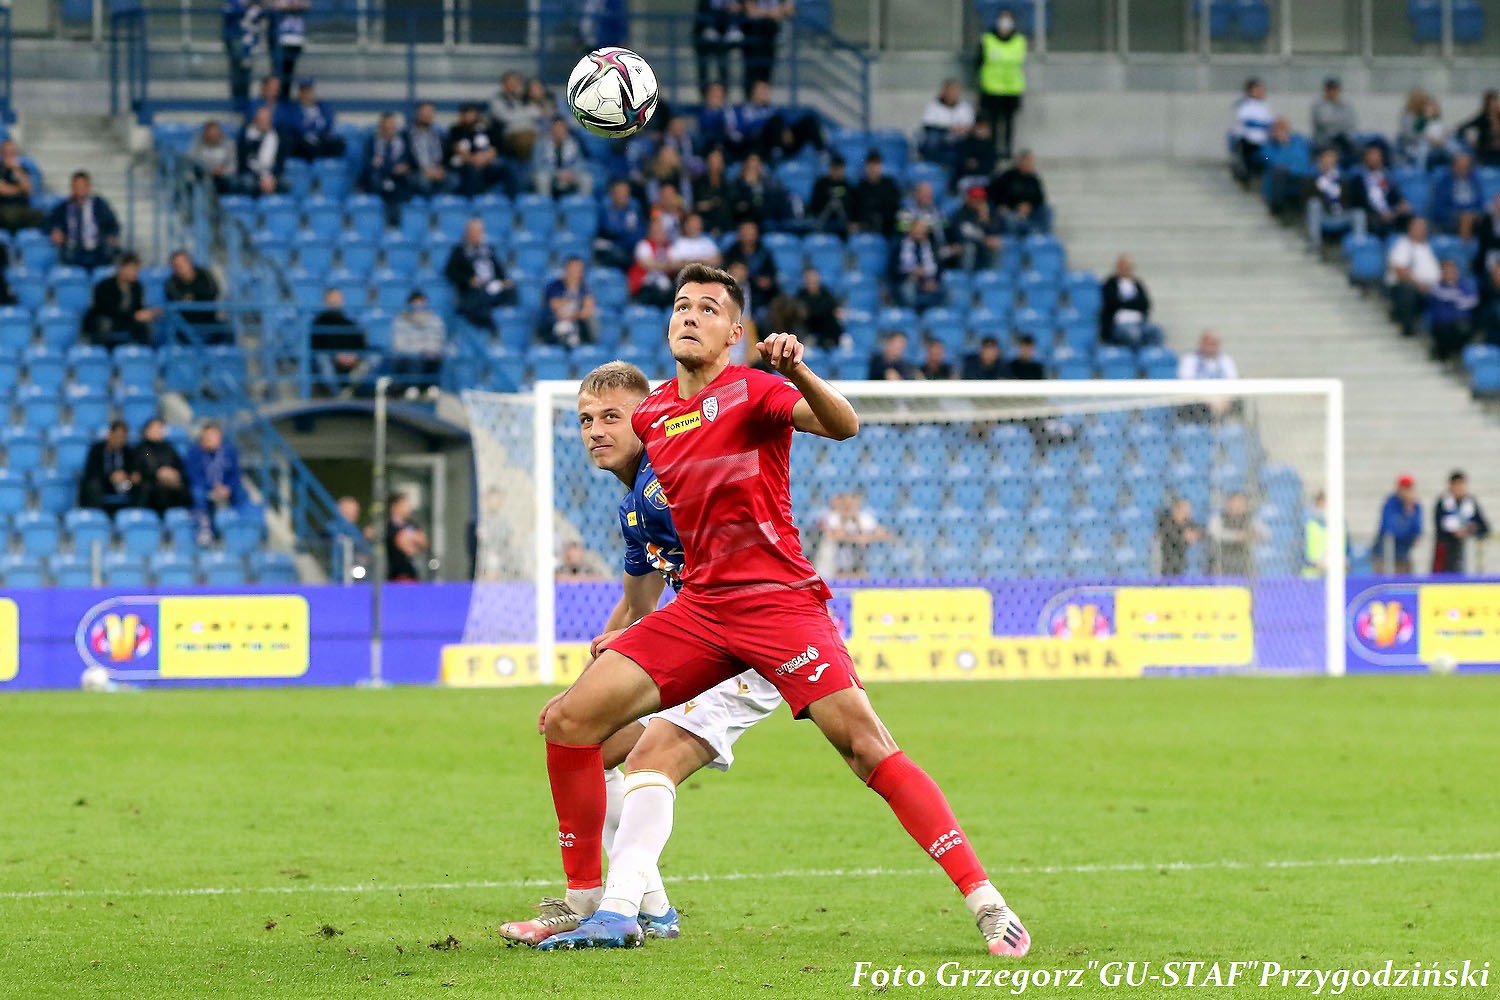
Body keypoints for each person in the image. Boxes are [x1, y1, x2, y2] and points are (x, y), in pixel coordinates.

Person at [534, 263, 1031, 955]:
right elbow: (641, 499)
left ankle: (986, 900)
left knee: (865, 747)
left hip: (778, 603)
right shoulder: (651, 415)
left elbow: (844, 424)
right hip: (702, 610)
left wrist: (799, 372)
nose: (688, 315)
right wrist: (619, 627)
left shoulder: (756, 389)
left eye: (707, 308)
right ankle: (593, 903)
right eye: (681, 305)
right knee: (567, 720)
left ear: (734, 333)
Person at [501, 361, 783, 948]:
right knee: (593, 747)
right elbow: (635, 608)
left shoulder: (668, 480)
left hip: (749, 642)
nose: (595, 430)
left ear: (648, 416)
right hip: (703, 643)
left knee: (649, 762)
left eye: (611, 417)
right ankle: (652, 908)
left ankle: (611, 907)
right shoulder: (636, 501)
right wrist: (583, 693)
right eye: (585, 419)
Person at [445, 218, 516, 330]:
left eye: (479, 232)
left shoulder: (488, 249)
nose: (476, 235)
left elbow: (498, 268)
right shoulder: (459, 251)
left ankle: (503, 318)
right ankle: (489, 324)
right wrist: (468, 280)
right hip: (473, 289)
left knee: (511, 289)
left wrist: (504, 280)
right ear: (467, 233)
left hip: (492, 286)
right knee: (479, 296)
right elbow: (450, 272)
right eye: (473, 232)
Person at [185, 421, 249, 543]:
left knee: (242, 493)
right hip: (205, 489)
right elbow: (193, 476)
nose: (210, 439)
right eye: (207, 437)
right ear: (202, 437)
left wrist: (228, 488)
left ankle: (239, 528)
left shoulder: (230, 452)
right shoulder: (194, 453)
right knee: (197, 493)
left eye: (213, 436)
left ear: (220, 437)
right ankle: (204, 528)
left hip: (225, 489)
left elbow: (236, 474)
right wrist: (213, 487)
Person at [976, 9, 1026, 160]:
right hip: (991, 87)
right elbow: (978, 62)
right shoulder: (987, 39)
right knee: (992, 121)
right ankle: (993, 150)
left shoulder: (1019, 41)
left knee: (1009, 123)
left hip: (1011, 88)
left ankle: (1007, 150)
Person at [82, 252, 157, 350]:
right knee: (104, 323)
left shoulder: (137, 286)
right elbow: (108, 310)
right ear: (122, 269)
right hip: (109, 319)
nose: (136, 273)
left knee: (146, 323)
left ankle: (143, 355)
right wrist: (135, 315)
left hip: (127, 320)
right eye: (133, 269)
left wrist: (147, 312)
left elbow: (138, 306)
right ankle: (102, 354)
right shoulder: (104, 285)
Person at [47, 171, 120, 270]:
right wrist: (56, 230)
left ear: (88, 187)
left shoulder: (99, 205)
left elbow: (113, 224)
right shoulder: (64, 207)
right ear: (72, 187)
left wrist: (112, 235)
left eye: (83, 186)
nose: (80, 189)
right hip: (72, 251)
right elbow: (49, 222)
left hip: (96, 250)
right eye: (77, 186)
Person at [1386, 217, 1441, 339]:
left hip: (1430, 288)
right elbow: (1400, 270)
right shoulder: (1403, 245)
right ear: (1410, 228)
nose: (1421, 231)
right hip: (1409, 287)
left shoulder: (1428, 247)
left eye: (1423, 228)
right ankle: (1407, 326)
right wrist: (1420, 285)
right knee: (1407, 291)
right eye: (1418, 228)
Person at [813, 492, 889, 579]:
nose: (848, 505)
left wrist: (857, 522)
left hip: (858, 558)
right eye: (845, 501)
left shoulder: (864, 517)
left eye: (852, 501)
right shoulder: (831, 517)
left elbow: (882, 533)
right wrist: (858, 536)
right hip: (834, 559)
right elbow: (834, 535)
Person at [309, 287, 368, 392]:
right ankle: (338, 394)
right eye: (333, 299)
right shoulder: (317, 323)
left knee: (373, 358)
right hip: (330, 359)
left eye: (338, 298)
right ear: (325, 302)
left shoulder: (349, 323)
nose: (336, 302)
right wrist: (336, 355)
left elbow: (361, 344)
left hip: (350, 360)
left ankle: (353, 389)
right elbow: (317, 345)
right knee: (323, 359)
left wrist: (354, 355)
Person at [1345, 143, 1409, 239]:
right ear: (1365, 158)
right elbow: (1358, 202)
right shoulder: (1358, 180)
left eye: (1378, 156)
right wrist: (1379, 214)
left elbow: (1393, 195)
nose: (1375, 159)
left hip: (1390, 213)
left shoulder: (1385, 177)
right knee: (1377, 223)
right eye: (1372, 155)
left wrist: (1401, 202)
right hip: (1370, 215)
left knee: (1409, 217)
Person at [1098, 254, 1163, 348]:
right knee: (1133, 334)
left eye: (1129, 267)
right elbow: (1113, 303)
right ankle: (1136, 360)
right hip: (1119, 325)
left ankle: (1150, 359)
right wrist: (1133, 303)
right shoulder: (1110, 283)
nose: (1127, 269)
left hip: (1139, 323)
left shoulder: (1137, 284)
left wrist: (1124, 303)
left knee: (1157, 331)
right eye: (1124, 267)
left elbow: (1145, 304)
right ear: (1118, 267)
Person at [389, 290, 447, 394]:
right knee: (415, 358)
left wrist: (429, 350)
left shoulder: (435, 320)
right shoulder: (400, 320)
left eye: (422, 301)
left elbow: (437, 340)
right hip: (408, 358)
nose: (419, 305)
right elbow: (399, 345)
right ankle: (412, 387)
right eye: (416, 302)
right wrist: (420, 350)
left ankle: (433, 387)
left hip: (429, 355)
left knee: (436, 356)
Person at [78, 420, 140, 516]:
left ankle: (135, 517)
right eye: (117, 436)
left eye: (123, 437)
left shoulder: (128, 451)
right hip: (103, 483)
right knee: (93, 485)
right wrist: (110, 477)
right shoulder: (96, 449)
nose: (120, 440)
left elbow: (133, 470)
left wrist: (129, 476)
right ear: (109, 434)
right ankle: (96, 517)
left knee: (141, 485)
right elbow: (91, 472)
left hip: (124, 484)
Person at [1432, 471, 1489, 575]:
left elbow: (1484, 528)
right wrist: (1455, 533)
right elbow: (1439, 528)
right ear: (1450, 486)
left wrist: (1469, 531)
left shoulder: (1470, 502)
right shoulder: (1443, 502)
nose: (1459, 488)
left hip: (1465, 552)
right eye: (1456, 485)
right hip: (1445, 551)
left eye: (1461, 484)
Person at [360, 112, 415, 218]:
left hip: (399, 178)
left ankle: (396, 220)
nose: (389, 130)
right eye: (386, 127)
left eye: (391, 126)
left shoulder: (404, 141)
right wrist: (391, 167)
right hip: (379, 178)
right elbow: (368, 164)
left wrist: (402, 166)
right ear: (381, 127)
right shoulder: (371, 142)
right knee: (376, 181)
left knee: (406, 183)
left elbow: (410, 162)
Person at [133, 417, 191, 516]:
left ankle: (182, 517)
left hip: (172, 482)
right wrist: (158, 473)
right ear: (147, 431)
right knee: (158, 491)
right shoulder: (142, 449)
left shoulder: (169, 448)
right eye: (155, 428)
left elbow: (179, 464)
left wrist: (174, 473)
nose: (158, 431)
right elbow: (141, 467)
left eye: (160, 428)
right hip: (152, 483)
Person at [164, 250, 226, 343]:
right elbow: (175, 300)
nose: (180, 266)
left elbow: (212, 292)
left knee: (226, 329)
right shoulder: (170, 282)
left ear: (190, 262)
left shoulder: (205, 275)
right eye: (176, 265)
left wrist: (193, 297)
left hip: (209, 323)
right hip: (184, 327)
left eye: (183, 262)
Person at [446, 103, 508, 197]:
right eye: (465, 114)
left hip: (486, 163)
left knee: (506, 166)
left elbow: (495, 148)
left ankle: (513, 202)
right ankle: (472, 202)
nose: (468, 117)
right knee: (472, 170)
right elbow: (458, 149)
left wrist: (486, 157)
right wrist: (474, 159)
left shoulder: (486, 130)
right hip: (465, 165)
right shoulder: (455, 131)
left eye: (471, 114)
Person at [1426, 258, 1478, 363]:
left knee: (1464, 327)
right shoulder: (1435, 286)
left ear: (1457, 271)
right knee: (1443, 329)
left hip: (1461, 324)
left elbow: (1472, 301)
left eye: (1452, 270)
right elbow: (1443, 295)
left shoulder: (1466, 284)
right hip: (1442, 326)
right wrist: (1457, 297)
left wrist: (1455, 299)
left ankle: (1459, 357)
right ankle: (1444, 357)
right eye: (1446, 270)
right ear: (1442, 272)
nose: (1449, 273)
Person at [539, 257, 598, 348]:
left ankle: (588, 345)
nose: (576, 272)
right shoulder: (554, 286)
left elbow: (588, 310)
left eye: (579, 269)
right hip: (553, 323)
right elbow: (556, 306)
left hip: (576, 323)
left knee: (594, 316)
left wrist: (573, 315)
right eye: (573, 269)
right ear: (566, 269)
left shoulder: (584, 288)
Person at [989, 150, 1050, 235]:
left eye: (1031, 161)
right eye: (1027, 161)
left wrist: (1029, 206)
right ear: (1020, 162)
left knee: (1048, 209)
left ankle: (1044, 238)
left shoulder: (1034, 179)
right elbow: (995, 193)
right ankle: (1015, 241)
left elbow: (1040, 198)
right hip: (1010, 210)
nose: (1030, 164)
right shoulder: (1007, 176)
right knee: (1009, 218)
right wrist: (1007, 206)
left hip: (1029, 211)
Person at [920, 78, 975, 171]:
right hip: (941, 139)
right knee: (932, 139)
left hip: (960, 139)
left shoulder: (965, 107)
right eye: (950, 90)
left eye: (955, 90)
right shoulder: (934, 106)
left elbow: (970, 126)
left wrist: (961, 130)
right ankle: (934, 167)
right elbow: (928, 126)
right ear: (944, 91)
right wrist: (949, 129)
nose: (952, 93)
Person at [741, 0, 793, 99]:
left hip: (770, 39)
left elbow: (790, 10)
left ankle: (763, 98)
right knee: (752, 73)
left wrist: (763, 12)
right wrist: (771, 13)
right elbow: (751, 12)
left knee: (766, 73)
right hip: (753, 38)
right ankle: (750, 98)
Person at [284, 78, 345, 161]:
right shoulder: (293, 109)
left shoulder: (323, 107)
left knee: (339, 143)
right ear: (300, 93)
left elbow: (329, 123)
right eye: (304, 92)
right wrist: (314, 127)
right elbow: (298, 126)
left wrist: (315, 128)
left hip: (321, 138)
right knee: (306, 146)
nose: (307, 94)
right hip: (303, 140)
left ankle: (322, 160)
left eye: (309, 91)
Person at [1373, 474, 1422, 575]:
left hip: (1404, 553)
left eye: (1409, 488)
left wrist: (1409, 510)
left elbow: (1417, 530)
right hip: (1385, 554)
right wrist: (1405, 530)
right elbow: (1389, 528)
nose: (1406, 491)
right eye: (1404, 488)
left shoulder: (1415, 506)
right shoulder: (1390, 503)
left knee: (1404, 583)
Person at [892, 217, 943, 312]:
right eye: (917, 232)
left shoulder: (931, 247)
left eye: (923, 233)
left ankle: (933, 319)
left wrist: (932, 281)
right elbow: (893, 270)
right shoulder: (899, 246)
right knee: (908, 288)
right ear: (910, 232)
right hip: (906, 281)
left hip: (927, 282)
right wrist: (911, 272)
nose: (920, 235)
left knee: (943, 287)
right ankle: (912, 318)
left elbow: (938, 268)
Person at [532, 117, 592, 198]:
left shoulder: (573, 142)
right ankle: (547, 206)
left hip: (569, 174)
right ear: (552, 128)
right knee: (542, 179)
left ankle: (581, 205)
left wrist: (571, 172)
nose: (560, 130)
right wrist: (557, 173)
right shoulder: (541, 143)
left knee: (586, 179)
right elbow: (538, 165)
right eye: (557, 127)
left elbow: (579, 162)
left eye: (562, 127)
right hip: (550, 174)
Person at [1207, 491, 1261, 577]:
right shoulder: (1218, 518)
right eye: (1233, 504)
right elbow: (1215, 533)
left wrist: (1254, 535)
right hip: (1221, 559)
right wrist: (1238, 536)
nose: (1236, 507)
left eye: (1240, 504)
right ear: (1227, 504)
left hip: (1243, 560)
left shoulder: (1250, 519)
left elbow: (1264, 533)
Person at [1432, 152, 1484, 240]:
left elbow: (1480, 203)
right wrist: (1460, 213)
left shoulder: (1475, 181)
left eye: (1467, 167)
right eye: (1461, 167)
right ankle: (1465, 249)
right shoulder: (1444, 182)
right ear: (1454, 166)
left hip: (1473, 215)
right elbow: (1439, 207)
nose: (1465, 170)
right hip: (1451, 216)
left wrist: (1475, 213)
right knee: (1466, 218)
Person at [222, 0, 263, 112]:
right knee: (237, 70)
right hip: (236, 37)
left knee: (246, 71)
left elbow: (259, 14)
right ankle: (238, 104)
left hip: (249, 40)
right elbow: (229, 12)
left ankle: (244, 103)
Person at [952, 184, 1004, 271]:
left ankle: (992, 278)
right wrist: (983, 240)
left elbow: (996, 232)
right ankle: (967, 278)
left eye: (981, 198)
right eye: (975, 197)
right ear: (968, 198)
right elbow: (961, 235)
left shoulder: (989, 213)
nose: (978, 201)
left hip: (984, 250)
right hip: (966, 250)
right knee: (969, 248)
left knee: (997, 245)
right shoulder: (960, 214)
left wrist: (985, 220)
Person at [1230, 77, 1273, 183]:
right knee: (1249, 163)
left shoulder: (1264, 105)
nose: (1261, 92)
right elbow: (1246, 121)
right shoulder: (1244, 104)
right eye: (1258, 89)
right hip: (1249, 142)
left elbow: (1270, 121)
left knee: (1267, 159)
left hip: (1263, 141)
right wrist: (1263, 125)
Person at [850, 150, 901, 237]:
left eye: (876, 164)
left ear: (881, 166)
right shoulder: (860, 188)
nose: (873, 168)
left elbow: (895, 207)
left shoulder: (889, 185)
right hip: (864, 230)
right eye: (871, 165)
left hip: (887, 229)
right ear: (866, 166)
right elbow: (854, 210)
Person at [237, 104, 285, 196]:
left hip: (271, 173)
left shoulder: (277, 136)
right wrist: (261, 178)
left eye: (267, 119)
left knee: (285, 182)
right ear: (255, 120)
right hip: (251, 172)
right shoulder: (245, 137)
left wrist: (271, 177)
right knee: (248, 183)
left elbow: (280, 162)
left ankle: (277, 207)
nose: (265, 122)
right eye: (262, 119)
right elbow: (242, 163)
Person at [405, 102, 451, 196]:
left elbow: (446, 156)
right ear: (418, 114)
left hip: (438, 171)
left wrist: (440, 169)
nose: (427, 115)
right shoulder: (407, 135)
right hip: (418, 171)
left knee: (454, 180)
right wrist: (426, 171)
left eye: (429, 112)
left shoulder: (440, 135)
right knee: (424, 183)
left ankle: (441, 205)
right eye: (424, 113)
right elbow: (407, 158)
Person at [490, 71, 538, 161]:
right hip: (509, 136)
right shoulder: (497, 99)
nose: (515, 85)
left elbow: (536, 112)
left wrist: (521, 105)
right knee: (525, 142)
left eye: (517, 82)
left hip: (530, 132)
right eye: (511, 83)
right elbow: (505, 117)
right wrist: (526, 113)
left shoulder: (524, 98)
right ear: (504, 84)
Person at [630, 217, 677, 308]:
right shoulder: (643, 245)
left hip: (664, 288)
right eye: (656, 230)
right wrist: (668, 265)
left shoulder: (670, 247)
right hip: (644, 287)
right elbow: (648, 264)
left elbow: (677, 265)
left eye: (661, 230)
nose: (659, 233)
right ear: (650, 232)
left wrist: (661, 264)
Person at [0, 139, 44, 234]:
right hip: (4, 207)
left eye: (12, 152)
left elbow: (28, 190)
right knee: (10, 216)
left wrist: (17, 169)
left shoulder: (22, 169)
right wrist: (20, 189)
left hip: (22, 208)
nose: (10, 155)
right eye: (7, 152)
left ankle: (26, 240)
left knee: (39, 215)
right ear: (2, 153)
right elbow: (2, 189)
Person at [1310, 77, 1356, 163]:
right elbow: (1323, 122)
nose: (1332, 92)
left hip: (1342, 140)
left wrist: (1336, 124)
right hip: (1324, 141)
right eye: (1330, 89)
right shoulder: (1318, 105)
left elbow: (1350, 124)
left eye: (1334, 89)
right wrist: (1339, 123)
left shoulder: (1346, 105)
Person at [186, 120, 238, 195]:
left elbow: (233, 166)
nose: (214, 136)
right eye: (211, 134)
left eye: (216, 133)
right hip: (202, 176)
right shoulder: (197, 144)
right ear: (205, 134)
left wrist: (223, 171)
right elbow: (191, 162)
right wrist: (208, 170)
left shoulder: (229, 144)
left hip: (223, 179)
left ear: (220, 133)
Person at [385, 492, 429, 582]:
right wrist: (412, 539)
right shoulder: (388, 527)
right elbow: (403, 543)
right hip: (396, 576)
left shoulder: (412, 524)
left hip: (413, 575)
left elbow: (424, 542)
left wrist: (410, 539)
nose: (409, 508)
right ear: (395, 506)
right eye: (405, 505)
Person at [796, 267, 842, 350]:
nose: (812, 283)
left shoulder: (826, 293)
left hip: (825, 328)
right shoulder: (801, 295)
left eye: (814, 280)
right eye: (809, 280)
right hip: (808, 327)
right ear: (805, 281)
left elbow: (833, 310)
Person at [806, 153, 852, 236]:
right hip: (823, 220)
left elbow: (850, 205)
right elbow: (814, 205)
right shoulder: (821, 183)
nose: (837, 171)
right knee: (833, 203)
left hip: (842, 222)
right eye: (835, 168)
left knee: (836, 203)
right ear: (830, 169)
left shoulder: (847, 185)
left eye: (839, 168)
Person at [268, 0, 308, 93]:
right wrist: (291, 6)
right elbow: (272, 6)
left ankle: (285, 98)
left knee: (289, 72)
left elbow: (305, 5)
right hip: (278, 35)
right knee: (277, 71)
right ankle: (274, 101)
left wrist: (288, 6)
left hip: (295, 37)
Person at [1157, 497, 1202, 576]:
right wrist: (1185, 537)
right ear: (1176, 510)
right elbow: (1172, 536)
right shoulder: (1166, 522)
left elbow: (1201, 532)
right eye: (1185, 511)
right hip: (1167, 565)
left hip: (1182, 563)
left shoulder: (1188, 523)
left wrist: (1195, 535)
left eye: (1188, 511)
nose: (1187, 513)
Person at [1458, 90, 1500, 168]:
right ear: (1487, 105)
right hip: (1487, 152)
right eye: (1492, 103)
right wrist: (1471, 140)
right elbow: (1461, 128)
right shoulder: (1481, 119)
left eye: (1496, 102)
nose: (1494, 105)